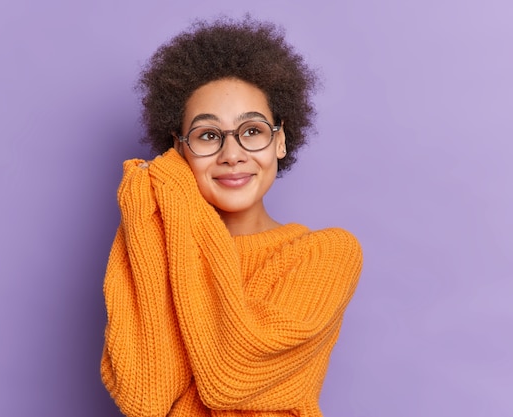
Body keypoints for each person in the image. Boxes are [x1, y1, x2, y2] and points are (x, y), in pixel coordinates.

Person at [100, 16, 363, 417]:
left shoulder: (325, 253)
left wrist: (172, 191)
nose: (232, 153)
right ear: (179, 150)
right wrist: (150, 209)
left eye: (252, 131)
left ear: (279, 141)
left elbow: (231, 376)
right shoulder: (156, 239)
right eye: (208, 136)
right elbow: (145, 397)